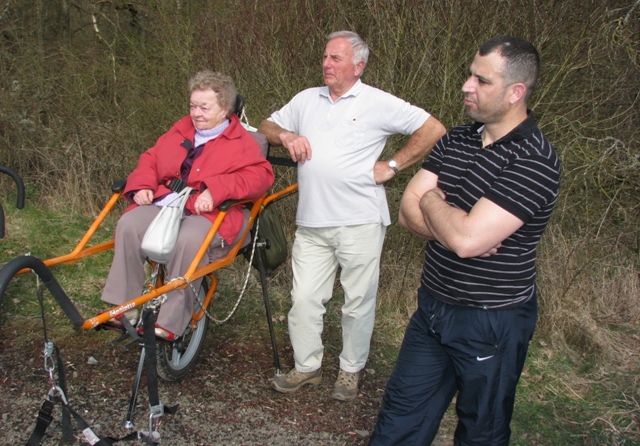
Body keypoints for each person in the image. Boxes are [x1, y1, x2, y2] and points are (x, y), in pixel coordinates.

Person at [370, 36, 561, 445]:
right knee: (398, 422)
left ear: (516, 92)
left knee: (481, 432)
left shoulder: (534, 158)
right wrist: (454, 224)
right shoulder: (457, 138)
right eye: (469, 75)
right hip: (433, 310)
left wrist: (435, 201)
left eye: (481, 80)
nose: (466, 86)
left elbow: (466, 240)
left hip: (492, 321)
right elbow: (407, 210)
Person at [258, 31, 446, 401]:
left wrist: (393, 165)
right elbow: (265, 126)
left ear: (358, 65)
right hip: (312, 223)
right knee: (305, 298)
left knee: (358, 301)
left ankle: (350, 371)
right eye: (325, 57)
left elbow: (433, 130)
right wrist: (285, 135)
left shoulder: (377, 101)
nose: (327, 64)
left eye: (336, 58)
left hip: (359, 220)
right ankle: (307, 367)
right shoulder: (306, 99)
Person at [101, 71, 274, 340]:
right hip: (167, 202)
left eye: (204, 107)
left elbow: (260, 177)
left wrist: (217, 190)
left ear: (225, 108)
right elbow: (151, 158)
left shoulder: (244, 141)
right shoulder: (180, 129)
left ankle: (171, 322)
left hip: (214, 212)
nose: (196, 113)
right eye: (193, 106)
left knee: (188, 240)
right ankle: (127, 307)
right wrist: (143, 184)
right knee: (129, 225)